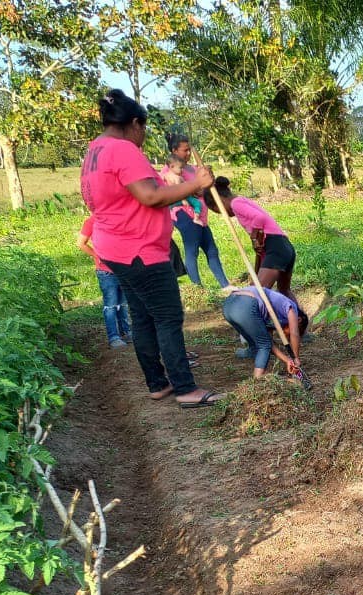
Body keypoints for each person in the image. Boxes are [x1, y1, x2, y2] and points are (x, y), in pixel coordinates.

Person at [80, 89, 224, 408]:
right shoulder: (123, 150)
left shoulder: (95, 150)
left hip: (114, 247)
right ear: (134, 123)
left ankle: (158, 384)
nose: (143, 136)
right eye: (143, 129)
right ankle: (185, 388)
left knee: (142, 316)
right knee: (168, 315)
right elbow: (150, 196)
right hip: (139, 250)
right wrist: (197, 185)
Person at [204, 177, 296, 298]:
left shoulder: (235, 203)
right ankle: (300, 317)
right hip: (284, 246)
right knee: (284, 290)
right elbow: (261, 247)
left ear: (219, 201)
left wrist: (253, 236)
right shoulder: (242, 200)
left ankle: (268, 315)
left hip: (276, 247)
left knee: (257, 294)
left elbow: (260, 218)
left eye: (217, 211)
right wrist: (255, 273)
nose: (223, 214)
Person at [163, 133, 229, 289]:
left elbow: (202, 190)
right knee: (192, 250)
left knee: (211, 249)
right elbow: (181, 191)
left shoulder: (194, 169)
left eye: (189, 150)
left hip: (200, 215)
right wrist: (198, 186)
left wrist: (208, 177)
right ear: (174, 150)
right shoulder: (169, 171)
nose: (188, 153)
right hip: (184, 214)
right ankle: (197, 288)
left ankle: (225, 285)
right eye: (185, 150)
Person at [221, 285, 306, 381]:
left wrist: (287, 360)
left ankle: (260, 375)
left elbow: (270, 344)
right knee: (263, 345)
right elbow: (294, 333)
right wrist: (295, 358)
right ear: (299, 320)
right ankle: (258, 379)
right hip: (244, 303)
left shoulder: (271, 315)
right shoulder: (292, 308)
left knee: (260, 343)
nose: (288, 335)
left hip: (228, 307)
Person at [77, 215, 132, 349]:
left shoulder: (119, 217)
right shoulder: (92, 221)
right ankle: (114, 337)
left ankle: (126, 332)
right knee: (111, 305)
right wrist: (96, 254)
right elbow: (80, 243)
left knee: (123, 303)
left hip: (123, 268)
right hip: (106, 271)